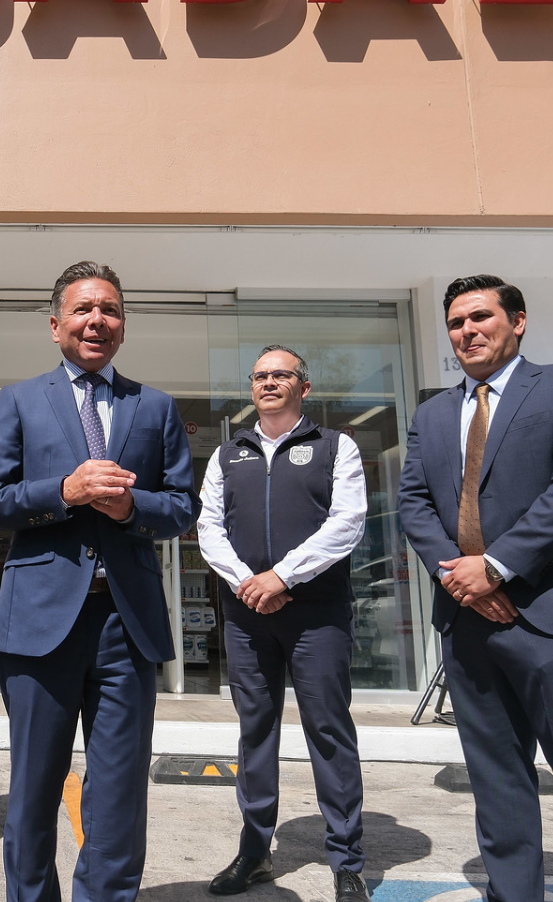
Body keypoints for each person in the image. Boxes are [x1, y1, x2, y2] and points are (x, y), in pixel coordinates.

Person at [397, 275, 553, 902]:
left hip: (552, 617)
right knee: (497, 780)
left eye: (480, 317)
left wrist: (497, 566)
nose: (467, 332)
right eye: (456, 323)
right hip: (466, 620)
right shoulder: (432, 414)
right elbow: (415, 504)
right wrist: (458, 575)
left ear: (518, 321)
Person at [0, 261, 199, 902]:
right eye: (82, 309)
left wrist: (131, 508)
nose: (97, 320)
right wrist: (64, 492)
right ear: (55, 325)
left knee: (120, 790)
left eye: (110, 310)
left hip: (126, 624)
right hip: (39, 622)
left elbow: (181, 507)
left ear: (123, 326)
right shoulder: (19, 400)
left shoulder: (155, 407)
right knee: (34, 786)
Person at [195, 347, 371, 902]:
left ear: (304, 387)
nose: (269, 382)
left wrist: (282, 577)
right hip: (247, 615)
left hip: (317, 615)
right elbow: (208, 527)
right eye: (260, 376)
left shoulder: (336, 447)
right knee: (255, 731)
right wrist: (249, 582)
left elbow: (348, 522)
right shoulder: (227, 454)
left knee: (329, 730)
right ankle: (254, 852)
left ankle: (346, 861)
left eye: (281, 375)